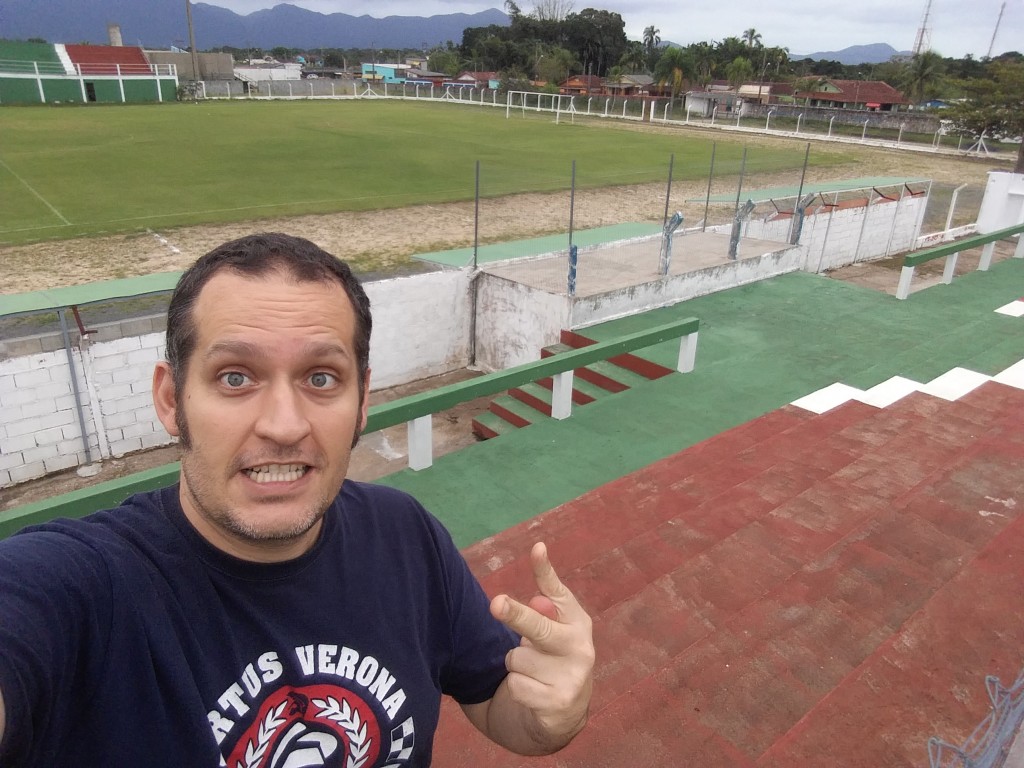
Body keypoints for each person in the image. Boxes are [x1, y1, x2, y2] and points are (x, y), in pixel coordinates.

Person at [0, 233, 594, 766]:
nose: (284, 425)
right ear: (170, 400)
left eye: (321, 378)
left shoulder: (406, 536)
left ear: (362, 403)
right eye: (235, 377)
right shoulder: (81, 586)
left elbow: (497, 705)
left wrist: (553, 709)